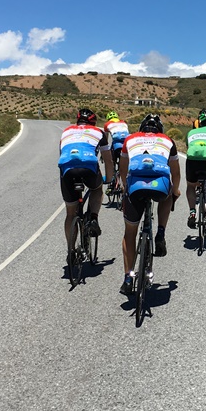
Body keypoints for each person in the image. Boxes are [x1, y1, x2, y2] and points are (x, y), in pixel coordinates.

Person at [118, 113, 181, 294]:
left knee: (130, 233)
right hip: (159, 186)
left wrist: (125, 187)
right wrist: (176, 191)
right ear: (160, 130)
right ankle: (160, 232)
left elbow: (123, 169)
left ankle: (128, 277)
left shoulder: (130, 139)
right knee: (169, 193)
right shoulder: (168, 141)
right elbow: (176, 174)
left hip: (135, 186)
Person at [58, 108, 108, 276]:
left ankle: (71, 250)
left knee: (70, 213)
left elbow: (61, 154)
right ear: (93, 122)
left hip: (67, 169)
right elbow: (107, 158)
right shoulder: (98, 132)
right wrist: (109, 178)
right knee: (97, 189)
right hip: (88, 168)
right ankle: (93, 218)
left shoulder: (66, 131)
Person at [103, 110, 130, 190]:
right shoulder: (124, 123)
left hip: (116, 146)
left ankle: (112, 179)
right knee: (126, 163)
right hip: (126, 145)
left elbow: (105, 139)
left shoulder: (107, 124)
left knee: (111, 161)